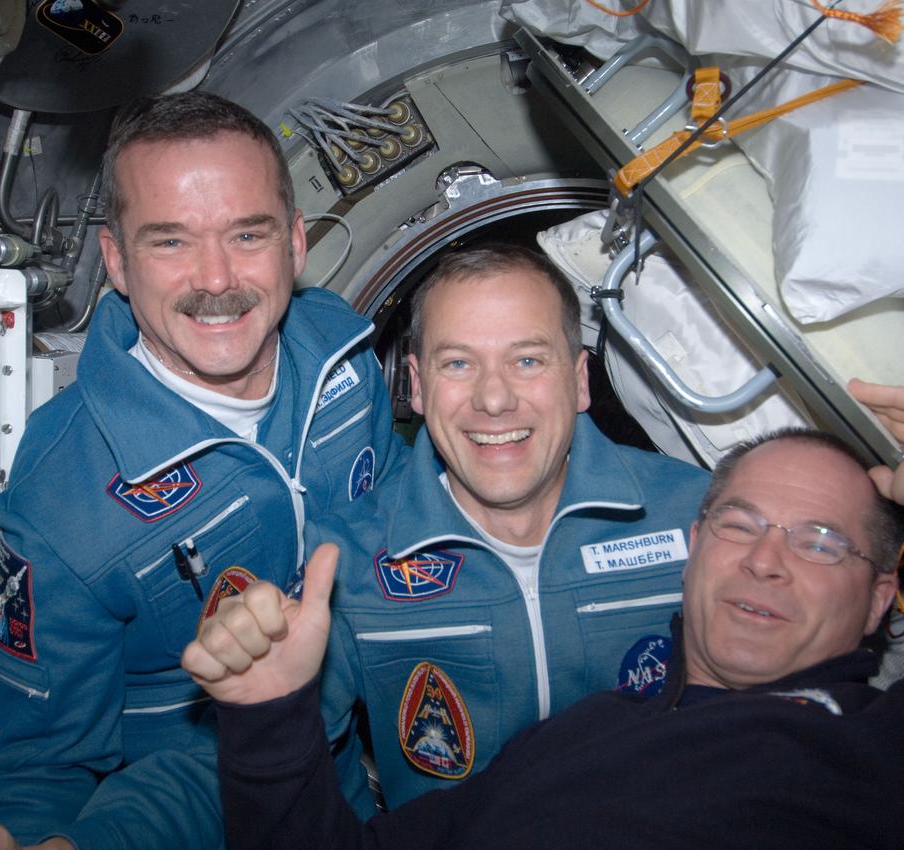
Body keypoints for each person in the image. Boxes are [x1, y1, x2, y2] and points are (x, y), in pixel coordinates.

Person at [191, 379, 904, 848]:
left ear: (876, 601)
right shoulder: (576, 739)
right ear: (694, 550)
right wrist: (267, 715)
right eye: (740, 524)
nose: (764, 559)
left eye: (820, 542)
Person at [0, 91, 405, 850]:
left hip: (357, 777)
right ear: (116, 262)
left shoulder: (343, 354)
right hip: (197, 813)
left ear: (295, 245)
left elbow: (399, 526)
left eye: (247, 234)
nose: (215, 278)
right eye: (170, 242)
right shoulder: (63, 494)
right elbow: (46, 766)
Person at [187, 245, 710, 812]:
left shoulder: (696, 520)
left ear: (580, 380)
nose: (493, 399)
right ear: (416, 383)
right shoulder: (347, 563)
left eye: (528, 360)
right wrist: (268, 716)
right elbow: (283, 770)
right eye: (458, 363)